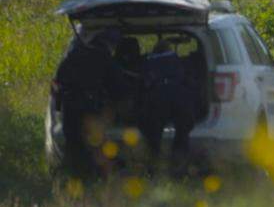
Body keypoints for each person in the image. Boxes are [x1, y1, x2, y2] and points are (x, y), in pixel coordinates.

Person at [54, 29, 122, 176]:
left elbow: (58, 82)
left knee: (73, 143)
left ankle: (73, 176)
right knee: (93, 144)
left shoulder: (73, 55)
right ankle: (93, 176)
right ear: (110, 44)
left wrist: (59, 107)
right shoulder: (104, 57)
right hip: (89, 106)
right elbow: (117, 86)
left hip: (70, 106)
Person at [138, 38, 195, 174]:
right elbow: (188, 79)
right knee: (182, 130)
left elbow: (145, 83)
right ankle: (179, 167)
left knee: (154, 133)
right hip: (179, 96)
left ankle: (153, 168)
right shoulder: (177, 60)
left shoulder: (148, 62)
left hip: (158, 97)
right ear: (168, 49)